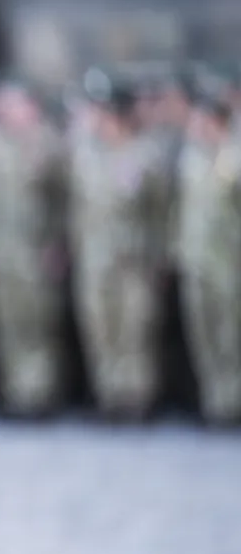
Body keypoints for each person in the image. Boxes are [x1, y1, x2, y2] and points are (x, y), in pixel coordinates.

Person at [70, 82, 167, 419]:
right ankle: (108, 396)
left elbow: (160, 210)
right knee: (101, 328)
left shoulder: (145, 155)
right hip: (96, 260)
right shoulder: (89, 155)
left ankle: (137, 399)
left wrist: (157, 257)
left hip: (132, 260)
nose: (98, 121)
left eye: (104, 114)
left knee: (134, 330)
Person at [0, 79, 69, 415]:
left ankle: (41, 394)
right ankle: (17, 392)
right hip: (3, 253)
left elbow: (64, 200)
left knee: (38, 325)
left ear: (29, 106)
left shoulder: (49, 144)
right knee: (8, 324)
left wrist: (58, 243)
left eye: (10, 104)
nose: (2, 111)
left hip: (36, 252)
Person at [175, 95, 241, 424]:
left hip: (229, 263)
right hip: (196, 260)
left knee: (232, 335)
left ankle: (233, 401)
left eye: (202, 121)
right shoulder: (192, 159)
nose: (195, 127)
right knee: (204, 333)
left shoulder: (234, 157)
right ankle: (215, 402)